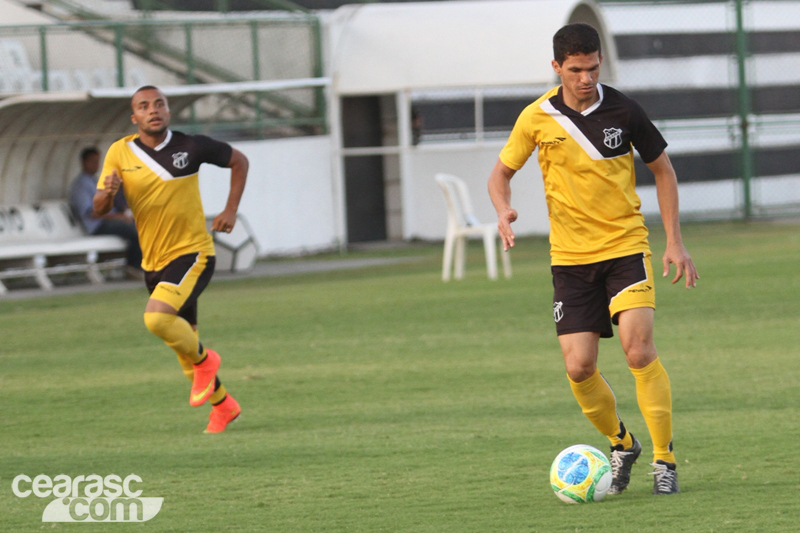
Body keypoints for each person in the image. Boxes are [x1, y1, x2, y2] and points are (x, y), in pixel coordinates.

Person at [488, 23, 699, 495]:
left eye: (593, 68)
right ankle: (622, 443)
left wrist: (675, 241)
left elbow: (663, 172)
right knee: (579, 367)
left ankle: (665, 461)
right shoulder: (536, 117)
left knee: (637, 349)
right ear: (557, 67)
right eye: (577, 70)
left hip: (626, 247)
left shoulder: (625, 110)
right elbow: (500, 174)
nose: (586, 78)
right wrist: (503, 210)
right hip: (569, 259)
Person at [94, 85, 249, 434]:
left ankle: (207, 360)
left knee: (157, 320)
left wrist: (230, 210)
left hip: (193, 253)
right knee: (183, 352)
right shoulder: (119, 153)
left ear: (167, 112)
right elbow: (98, 208)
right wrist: (107, 194)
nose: (154, 110)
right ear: (135, 118)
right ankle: (224, 407)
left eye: (159, 104)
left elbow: (239, 161)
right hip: (154, 262)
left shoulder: (190, 146)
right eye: (144, 106)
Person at [69, 146, 142, 273]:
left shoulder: (94, 181)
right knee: (133, 229)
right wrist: (118, 217)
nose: (96, 165)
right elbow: (92, 213)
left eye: (98, 161)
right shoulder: (81, 185)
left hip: (108, 221)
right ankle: (133, 267)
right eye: (93, 161)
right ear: (84, 162)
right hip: (97, 226)